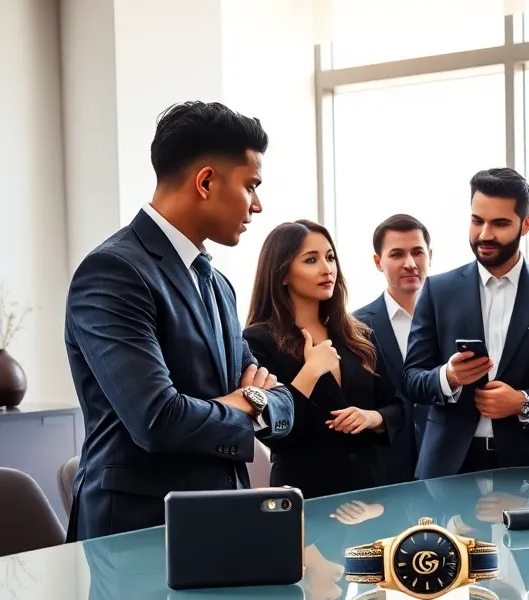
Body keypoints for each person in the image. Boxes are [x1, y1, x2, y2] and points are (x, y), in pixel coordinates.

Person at [64, 101, 294, 541]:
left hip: (225, 521)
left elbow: (282, 403)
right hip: (138, 536)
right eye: (251, 186)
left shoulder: (217, 282)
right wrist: (250, 400)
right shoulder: (113, 272)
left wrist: (252, 400)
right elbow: (158, 419)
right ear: (206, 181)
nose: (258, 205)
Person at [402, 168, 529, 478]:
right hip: (447, 468)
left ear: (526, 225)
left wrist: (522, 402)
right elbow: (411, 380)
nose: (484, 234)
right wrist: (449, 377)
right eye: (477, 221)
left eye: (499, 224)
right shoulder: (437, 290)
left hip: (528, 467)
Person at [243, 220, 404, 499]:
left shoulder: (358, 334)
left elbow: (396, 406)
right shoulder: (257, 340)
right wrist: (311, 370)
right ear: (282, 273)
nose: (327, 268)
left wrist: (371, 417)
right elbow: (272, 433)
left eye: (330, 257)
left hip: (370, 497)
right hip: (305, 498)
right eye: (311, 260)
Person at [353, 214, 433, 484]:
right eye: (397, 254)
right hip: (384, 469)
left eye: (417, 252)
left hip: (446, 466)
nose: (410, 264)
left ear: (429, 256)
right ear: (378, 262)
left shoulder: (452, 318)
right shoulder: (355, 327)